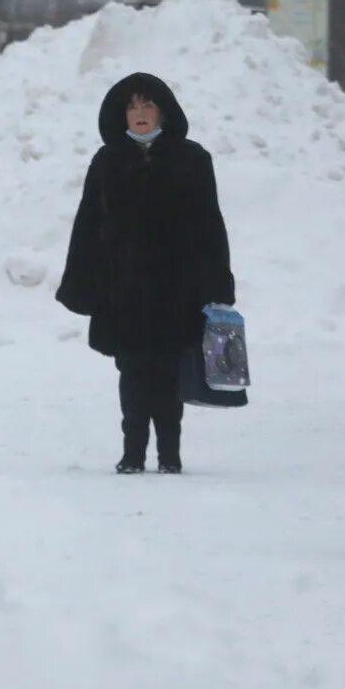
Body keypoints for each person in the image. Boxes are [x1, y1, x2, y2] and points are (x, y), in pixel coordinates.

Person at [56, 72, 236, 475]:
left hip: (177, 291)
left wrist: (217, 283)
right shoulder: (106, 162)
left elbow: (211, 226)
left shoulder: (193, 160)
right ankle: (133, 452)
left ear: (163, 112)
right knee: (133, 374)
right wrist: (83, 284)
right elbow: (87, 225)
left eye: (147, 105)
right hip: (123, 291)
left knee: (169, 374)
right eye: (132, 106)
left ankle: (169, 454)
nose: (139, 114)